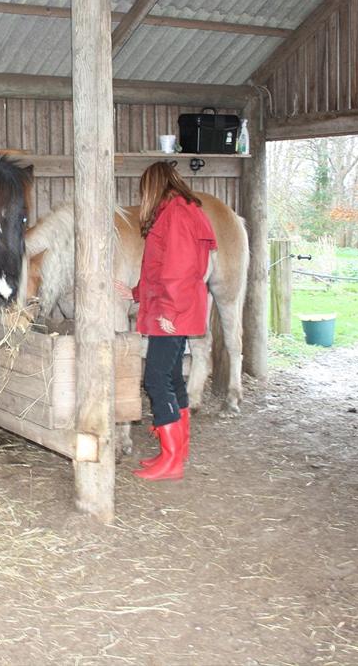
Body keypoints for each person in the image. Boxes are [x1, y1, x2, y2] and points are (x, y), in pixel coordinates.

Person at [115, 161, 216, 481]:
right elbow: (160, 268)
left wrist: (170, 312)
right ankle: (176, 452)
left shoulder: (175, 215)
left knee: (156, 379)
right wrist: (135, 292)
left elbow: (180, 269)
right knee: (171, 377)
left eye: (144, 189)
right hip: (173, 308)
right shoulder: (177, 211)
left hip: (171, 313)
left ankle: (172, 460)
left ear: (153, 186)